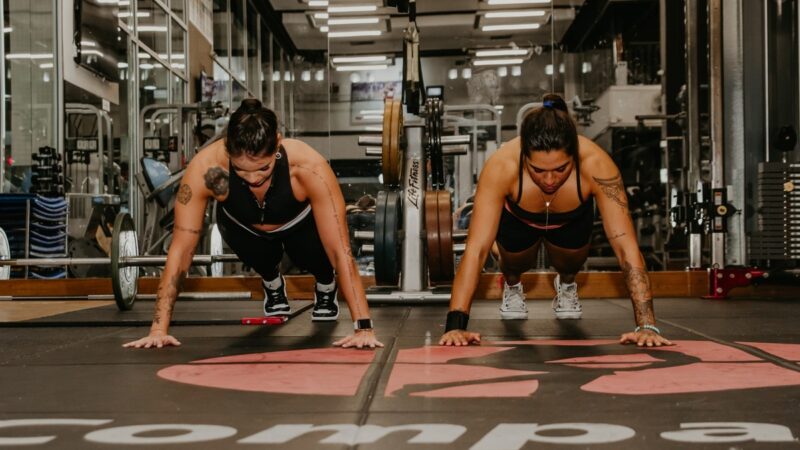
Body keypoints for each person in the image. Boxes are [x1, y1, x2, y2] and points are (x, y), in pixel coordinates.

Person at [125, 99, 382, 350]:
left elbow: (340, 251)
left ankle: (325, 285)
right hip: (245, 227)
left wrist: (364, 327)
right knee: (257, 252)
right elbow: (181, 250)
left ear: (278, 144)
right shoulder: (207, 169)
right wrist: (158, 328)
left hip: (299, 226)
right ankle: (272, 282)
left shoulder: (307, 167)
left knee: (313, 254)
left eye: (262, 169)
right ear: (227, 149)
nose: (253, 179)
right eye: (241, 170)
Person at [439, 94, 672, 348]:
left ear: (574, 155)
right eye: (538, 170)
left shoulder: (597, 165)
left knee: (571, 264)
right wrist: (455, 326)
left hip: (570, 220)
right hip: (520, 219)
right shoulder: (501, 166)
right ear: (524, 155)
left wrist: (646, 325)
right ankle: (513, 286)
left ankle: (567, 285)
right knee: (513, 264)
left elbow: (625, 246)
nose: (549, 180)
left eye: (561, 169)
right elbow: (476, 250)